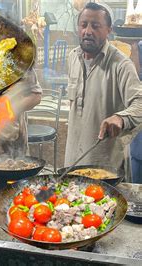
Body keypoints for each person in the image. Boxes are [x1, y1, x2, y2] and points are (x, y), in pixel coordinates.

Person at [64, 2, 142, 172]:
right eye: (84, 25)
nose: (88, 31)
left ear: (109, 30)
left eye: (96, 26)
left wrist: (121, 118)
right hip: (72, 161)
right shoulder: (73, 57)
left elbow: (140, 103)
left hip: (105, 168)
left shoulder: (121, 64)